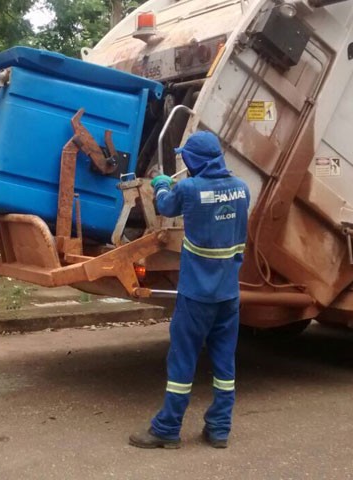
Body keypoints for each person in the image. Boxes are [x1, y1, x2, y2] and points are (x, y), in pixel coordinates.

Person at [129, 130, 250, 449]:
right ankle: (220, 429)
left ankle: (168, 428)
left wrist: (160, 183)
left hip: (197, 296)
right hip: (228, 294)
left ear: (194, 162)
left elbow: (166, 206)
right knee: (225, 363)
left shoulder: (190, 189)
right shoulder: (241, 189)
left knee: (182, 361)